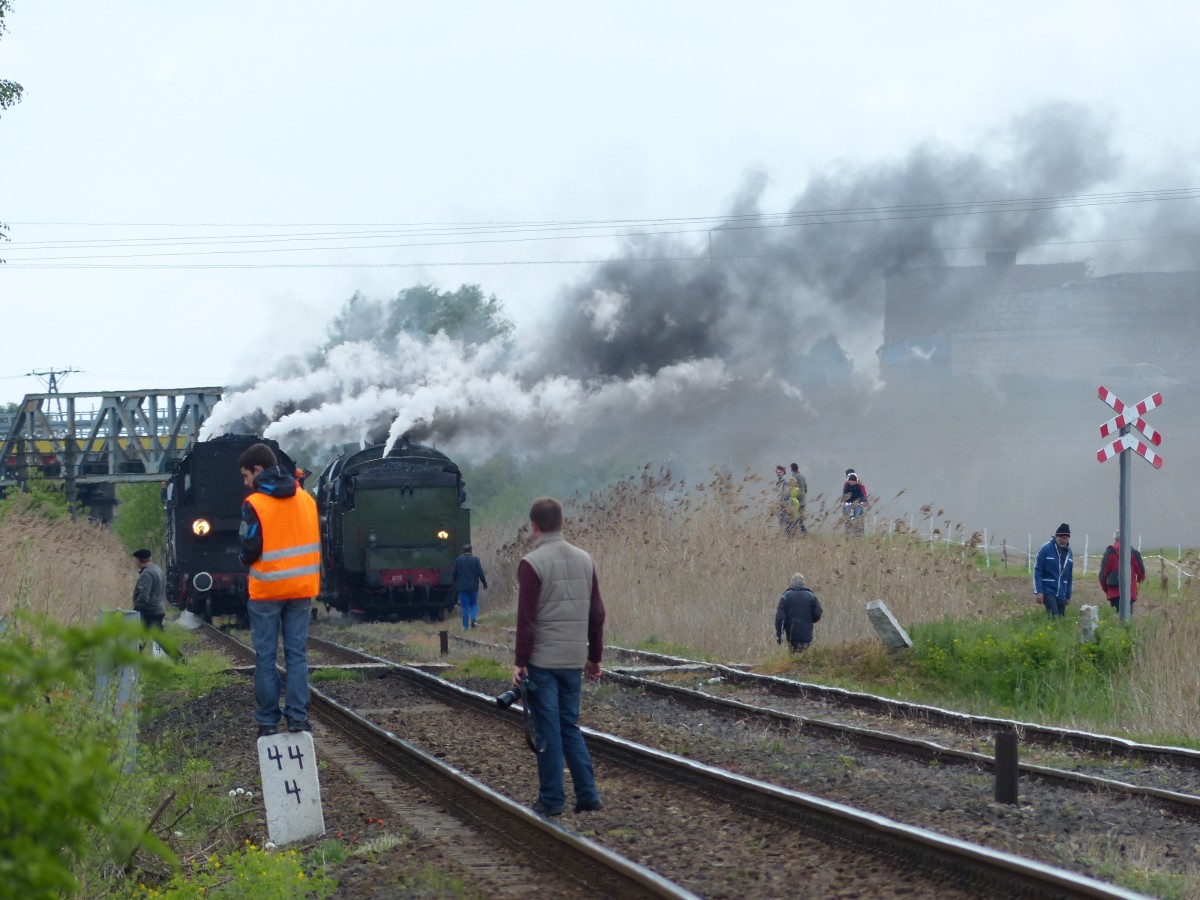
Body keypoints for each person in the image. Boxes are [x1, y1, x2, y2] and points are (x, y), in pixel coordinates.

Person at [512, 497, 605, 817]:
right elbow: (597, 614)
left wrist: (520, 662)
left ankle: (552, 800)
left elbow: (526, 620)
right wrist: (594, 657)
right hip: (573, 658)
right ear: (561, 522)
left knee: (548, 730)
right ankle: (588, 795)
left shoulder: (532, 563)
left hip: (543, 660)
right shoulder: (585, 559)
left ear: (534, 525)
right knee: (570, 726)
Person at [238, 442, 321, 738]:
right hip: (301, 589)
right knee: (297, 654)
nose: (247, 483)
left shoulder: (256, 504)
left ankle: (268, 721)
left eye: (246, 476)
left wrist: (245, 558)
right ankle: (297, 718)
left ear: (258, 469)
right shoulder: (307, 500)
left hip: (267, 591)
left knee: (266, 657)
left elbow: (248, 549)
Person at [1098, 531, 1145, 614]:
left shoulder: (1109, 552)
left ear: (1115, 539)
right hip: (1129, 593)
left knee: (1115, 619)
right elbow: (1141, 573)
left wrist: (1107, 590)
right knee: (1127, 622)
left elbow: (1102, 576)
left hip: (1113, 593)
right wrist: (1137, 583)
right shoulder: (1133, 553)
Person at [1034, 523, 1074, 618]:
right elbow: (1037, 570)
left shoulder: (1069, 553)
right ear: (1056, 536)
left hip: (1062, 592)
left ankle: (1054, 631)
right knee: (1053, 614)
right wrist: (1039, 591)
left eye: (1065, 538)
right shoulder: (1045, 549)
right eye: (1061, 538)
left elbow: (1069, 577)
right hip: (1048, 589)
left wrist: (1068, 596)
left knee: (1060, 617)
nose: (1063, 540)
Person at [775, 573, 823, 653]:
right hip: (806, 634)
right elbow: (818, 612)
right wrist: (810, 620)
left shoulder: (786, 596)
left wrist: (779, 635)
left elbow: (779, 618)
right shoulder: (811, 596)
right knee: (804, 658)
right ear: (803, 583)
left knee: (793, 658)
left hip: (791, 634)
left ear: (792, 583)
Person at [452, 543, 488, 630]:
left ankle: (465, 627)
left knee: (465, 607)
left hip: (462, 588)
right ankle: (474, 618)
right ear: (471, 551)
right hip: (473, 587)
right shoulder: (476, 560)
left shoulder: (458, 560)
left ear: (462, 551)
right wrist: (484, 584)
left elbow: (453, 573)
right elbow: (481, 573)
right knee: (474, 604)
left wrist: (456, 582)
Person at [131, 548, 166, 631]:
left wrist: (136, 608)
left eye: (136, 559)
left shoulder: (147, 573)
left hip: (149, 612)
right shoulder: (157, 569)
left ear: (139, 560)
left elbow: (144, 595)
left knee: (142, 639)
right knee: (159, 638)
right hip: (158, 609)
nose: (135, 562)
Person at [786, 462, 808, 536]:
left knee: (793, 518)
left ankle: (791, 534)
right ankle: (804, 533)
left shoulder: (793, 478)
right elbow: (805, 489)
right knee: (800, 518)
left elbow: (791, 490)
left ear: (792, 469)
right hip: (803, 501)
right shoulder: (803, 477)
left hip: (795, 501)